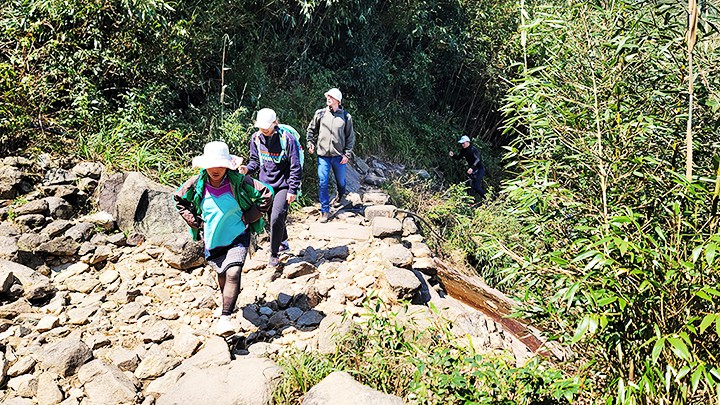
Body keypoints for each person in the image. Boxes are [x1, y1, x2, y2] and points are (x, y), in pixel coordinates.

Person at [174, 141, 273, 336]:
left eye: (220, 165)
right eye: (211, 165)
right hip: (213, 238)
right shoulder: (197, 183)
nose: (215, 169)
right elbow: (179, 199)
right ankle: (228, 301)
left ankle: (225, 318)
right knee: (222, 272)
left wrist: (251, 216)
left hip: (238, 234)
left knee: (234, 271)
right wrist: (196, 222)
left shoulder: (238, 181)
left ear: (228, 165)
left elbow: (266, 193)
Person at [239, 108, 302, 269]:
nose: (264, 130)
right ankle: (284, 242)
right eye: (261, 127)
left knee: (276, 217)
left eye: (267, 126)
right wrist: (246, 169)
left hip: (283, 185)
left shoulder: (287, 139)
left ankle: (274, 254)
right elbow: (255, 161)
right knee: (274, 217)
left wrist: (292, 189)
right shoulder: (256, 139)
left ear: (275, 122)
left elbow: (295, 167)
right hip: (265, 186)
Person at [306, 87, 355, 222]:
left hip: (339, 156)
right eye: (327, 96)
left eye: (331, 97)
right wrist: (310, 142)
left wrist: (347, 154)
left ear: (338, 101)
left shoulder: (346, 117)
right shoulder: (320, 114)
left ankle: (340, 195)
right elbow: (311, 129)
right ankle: (325, 211)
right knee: (323, 182)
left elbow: (350, 137)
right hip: (323, 156)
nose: (328, 98)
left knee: (341, 182)